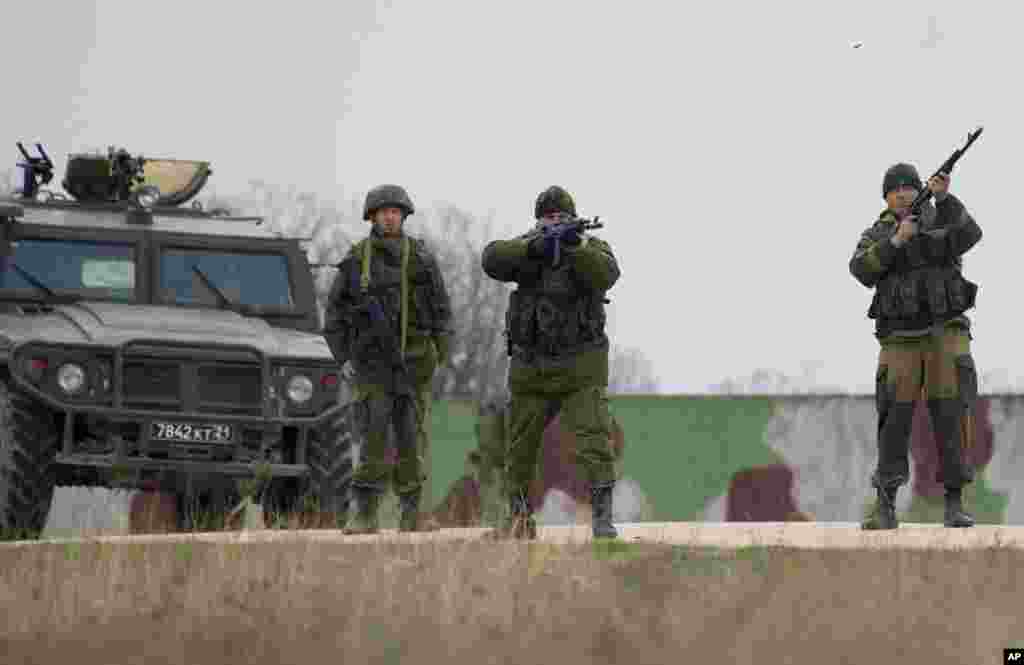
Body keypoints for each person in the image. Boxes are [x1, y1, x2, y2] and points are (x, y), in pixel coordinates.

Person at [481, 185, 621, 539]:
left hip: (581, 368)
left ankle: (602, 519)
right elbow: (492, 258)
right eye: (549, 217)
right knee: (519, 447)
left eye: (561, 217)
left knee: (595, 440)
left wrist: (573, 247)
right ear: (539, 220)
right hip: (532, 370)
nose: (555, 221)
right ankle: (518, 518)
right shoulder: (527, 246)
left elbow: (607, 273)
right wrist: (534, 247)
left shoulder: (590, 247)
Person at [849, 163, 982, 530]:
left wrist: (944, 196)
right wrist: (896, 241)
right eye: (896, 189)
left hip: (945, 335)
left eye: (911, 186)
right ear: (886, 197)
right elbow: (860, 269)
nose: (905, 193)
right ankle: (885, 504)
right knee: (894, 421)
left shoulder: (942, 219)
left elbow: (971, 234)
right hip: (899, 341)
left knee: (952, 417)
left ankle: (954, 503)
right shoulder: (877, 233)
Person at [323, 184, 452, 533]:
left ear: (404, 215)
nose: (389, 217)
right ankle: (365, 515)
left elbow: (441, 309)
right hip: (372, 368)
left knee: (412, 441)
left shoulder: (422, 257)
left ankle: (414, 514)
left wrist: (441, 353)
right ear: (372, 217)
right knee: (373, 441)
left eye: (395, 212)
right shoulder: (356, 259)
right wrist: (342, 357)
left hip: (414, 365)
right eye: (383, 212)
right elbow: (334, 313)